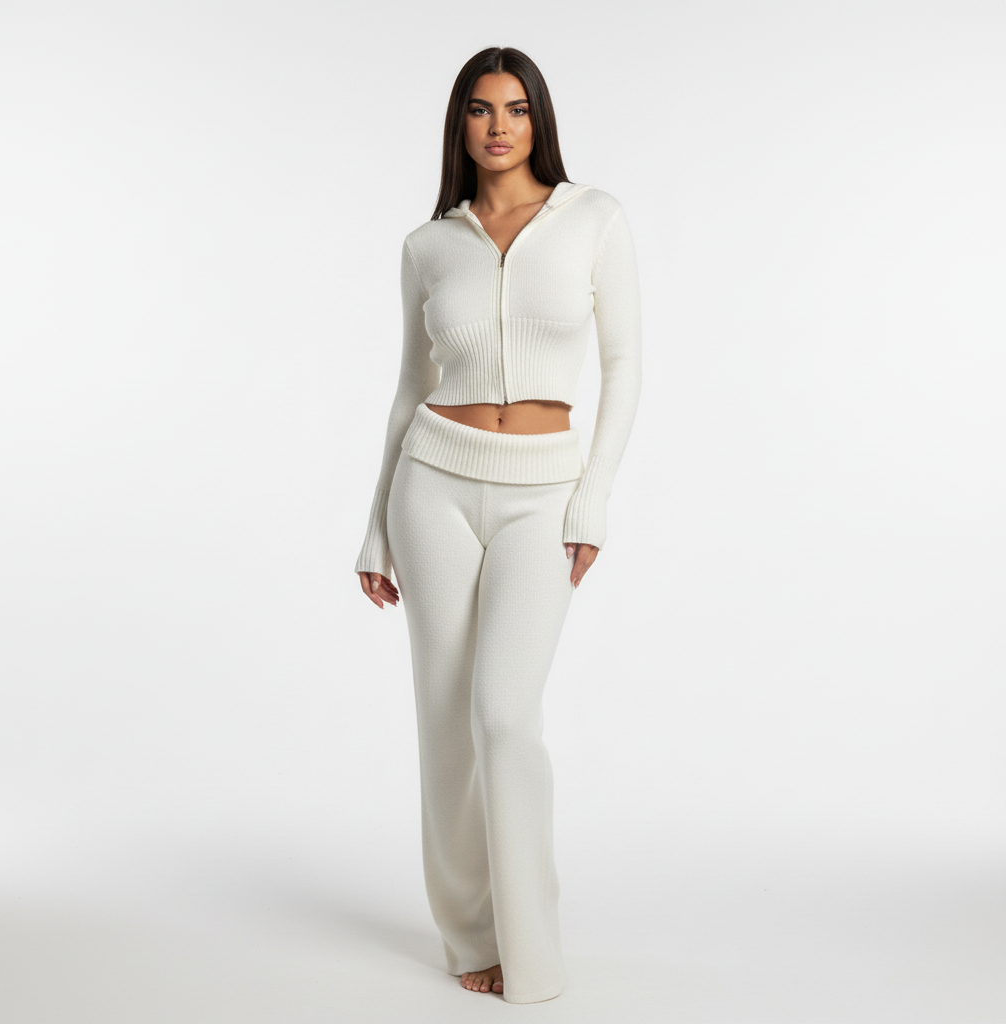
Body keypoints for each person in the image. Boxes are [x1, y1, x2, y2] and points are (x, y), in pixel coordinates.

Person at [353, 45, 641, 1004]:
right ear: (461, 125)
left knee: (504, 717)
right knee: (447, 722)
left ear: (539, 119)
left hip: (542, 494)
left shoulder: (593, 220)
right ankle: (470, 935)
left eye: (516, 108)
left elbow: (625, 366)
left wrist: (593, 497)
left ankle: (534, 949)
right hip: (432, 483)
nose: (500, 126)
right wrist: (375, 527)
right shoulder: (428, 246)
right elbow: (410, 386)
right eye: (481, 109)